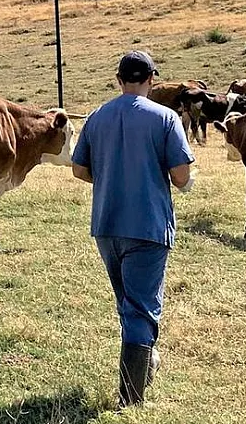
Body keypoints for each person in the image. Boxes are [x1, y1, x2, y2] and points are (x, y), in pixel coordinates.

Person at [70, 51, 196, 409]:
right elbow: (181, 176)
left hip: (107, 224)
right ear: (152, 79)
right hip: (148, 225)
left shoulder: (97, 117)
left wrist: (108, 176)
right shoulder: (166, 118)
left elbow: (79, 170)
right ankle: (131, 399)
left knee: (126, 301)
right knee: (141, 308)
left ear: (118, 79)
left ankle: (142, 364)